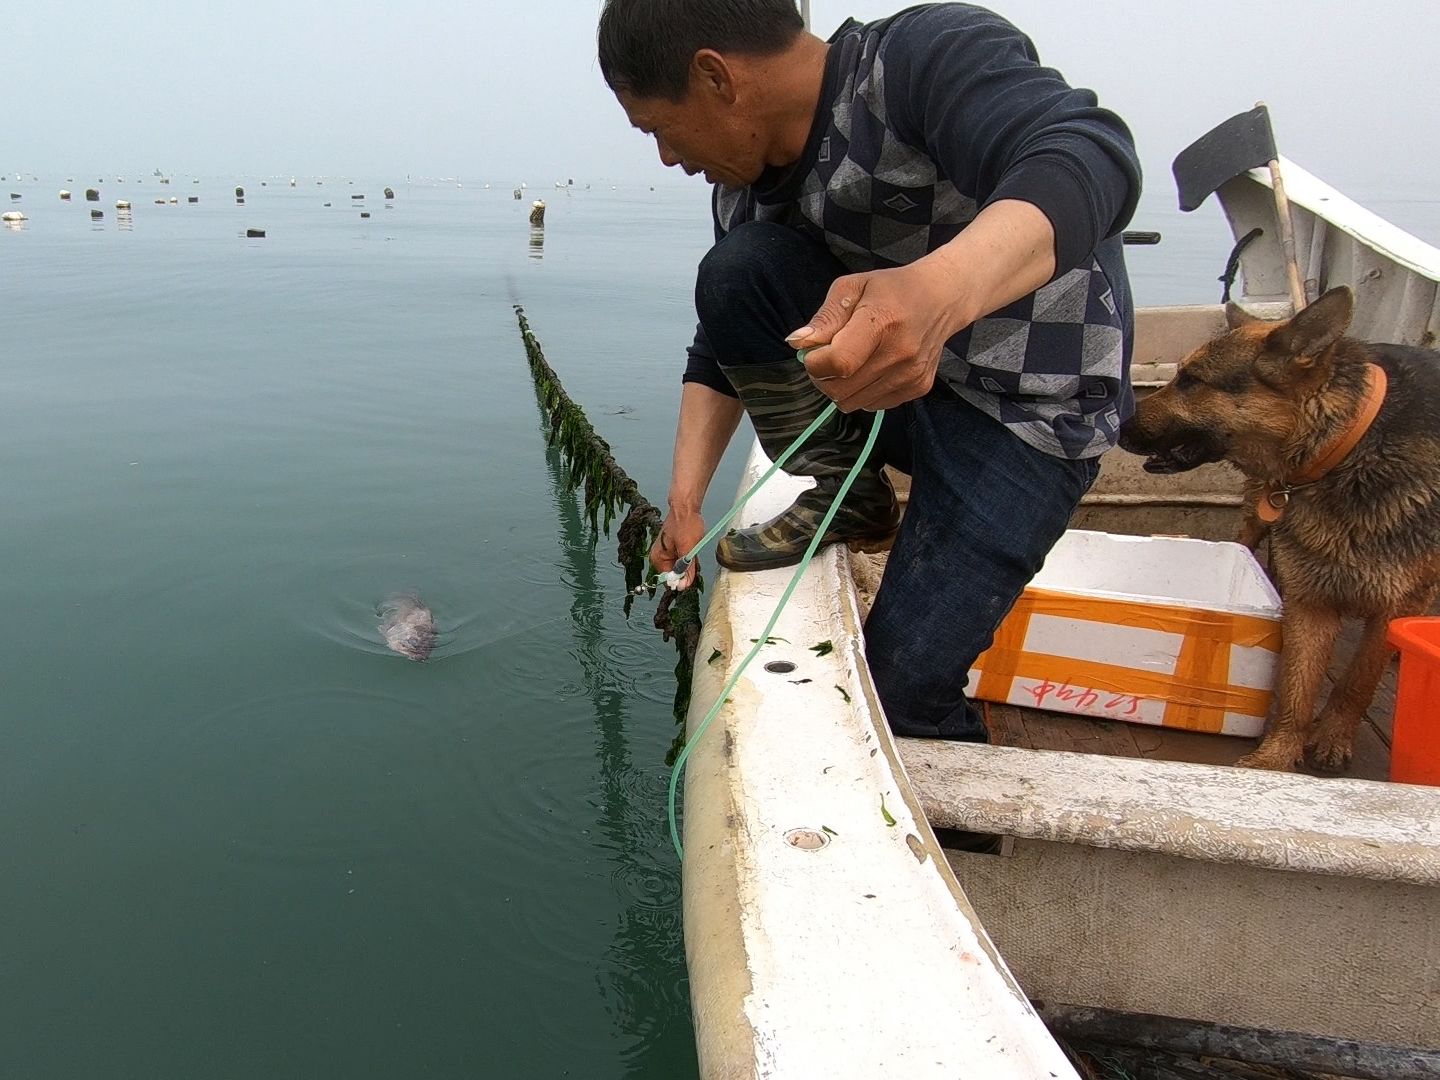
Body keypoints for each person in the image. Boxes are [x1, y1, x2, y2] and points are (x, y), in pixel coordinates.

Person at [598, 0, 1141, 741]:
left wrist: (933, 297)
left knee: (894, 697)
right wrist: (685, 500)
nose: (666, 157)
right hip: (898, 399)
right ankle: (848, 496)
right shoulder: (743, 187)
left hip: (1029, 417)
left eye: (658, 128)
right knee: (735, 271)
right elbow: (717, 349)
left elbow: (1090, 155)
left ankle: (969, 835)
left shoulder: (920, 60)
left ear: (716, 77)